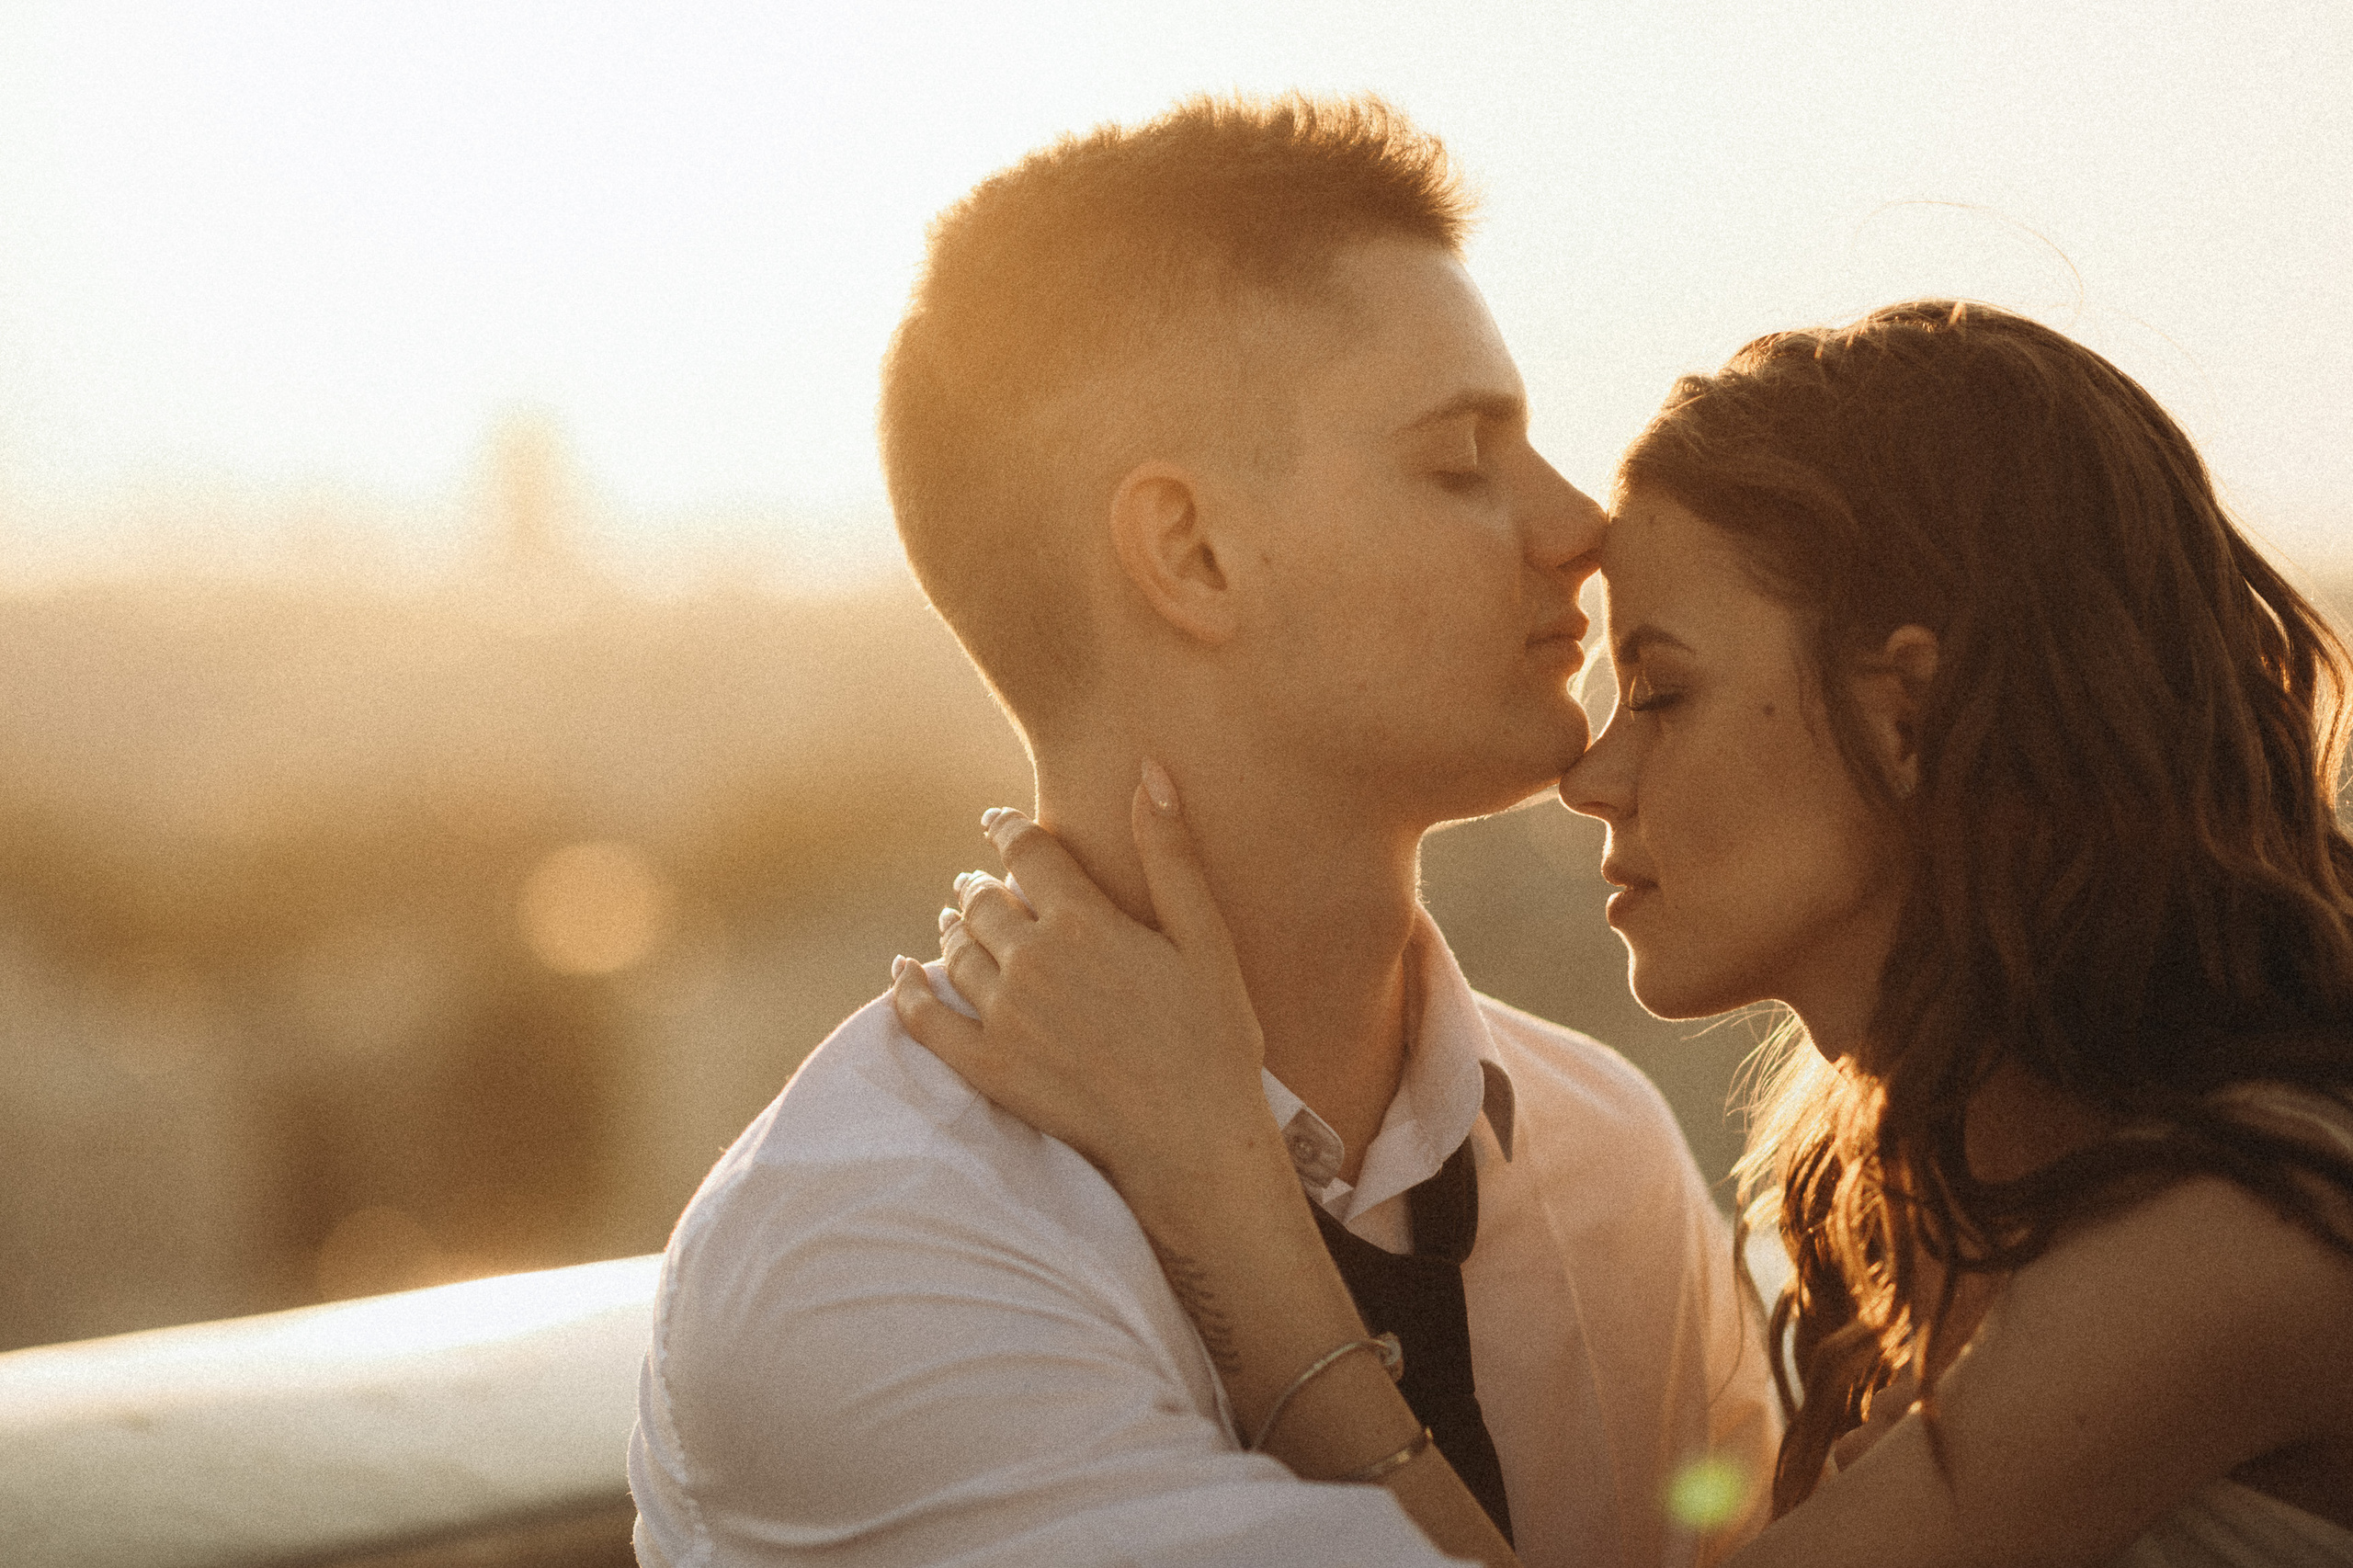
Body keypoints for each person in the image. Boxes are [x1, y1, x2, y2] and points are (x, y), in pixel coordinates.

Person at [894, 300, 2353, 1567]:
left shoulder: (2243, 1234)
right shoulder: (1888, 1194)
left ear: (1909, 715)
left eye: (1660, 690)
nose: (1591, 773)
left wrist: (1220, 1186)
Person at [628, 95, 1775, 1568]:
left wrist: (1237, 1210)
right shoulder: (870, 1251)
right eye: (1459, 459)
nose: (1579, 529)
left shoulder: (1603, 1156)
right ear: (1193, 553)